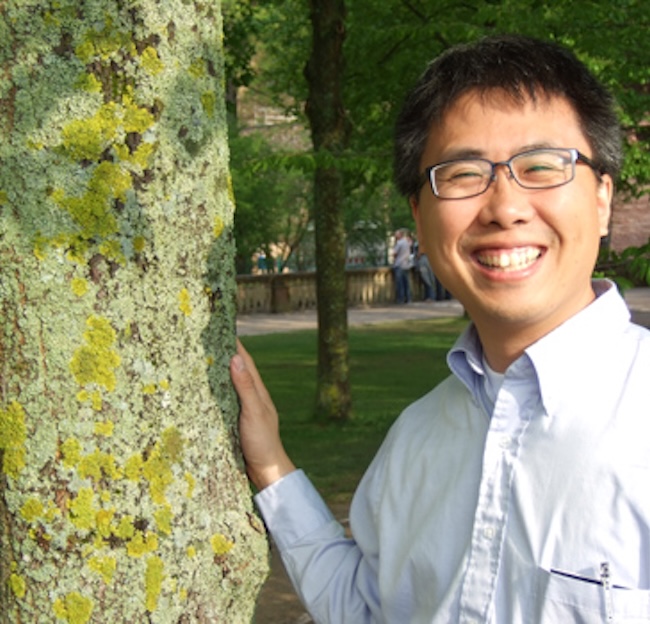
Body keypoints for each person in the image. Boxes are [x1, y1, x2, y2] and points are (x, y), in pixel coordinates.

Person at [230, 34, 650, 623]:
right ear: (419, 218)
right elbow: (364, 608)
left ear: (603, 197)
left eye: (541, 166)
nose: (505, 207)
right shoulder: (414, 440)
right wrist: (271, 462)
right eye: (462, 173)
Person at [391, 228, 412, 303]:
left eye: (396, 234)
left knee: (400, 284)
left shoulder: (399, 243)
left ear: (400, 235)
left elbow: (394, 253)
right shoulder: (407, 242)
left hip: (399, 264)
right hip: (406, 265)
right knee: (407, 283)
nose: (395, 236)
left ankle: (401, 299)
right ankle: (408, 299)